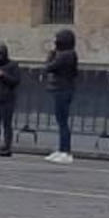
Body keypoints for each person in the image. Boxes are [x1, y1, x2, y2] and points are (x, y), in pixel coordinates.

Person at [44, 28, 80, 164]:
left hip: (62, 89)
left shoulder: (65, 55)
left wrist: (51, 53)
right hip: (63, 88)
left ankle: (65, 151)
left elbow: (48, 66)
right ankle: (61, 149)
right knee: (61, 121)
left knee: (62, 122)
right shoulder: (69, 54)